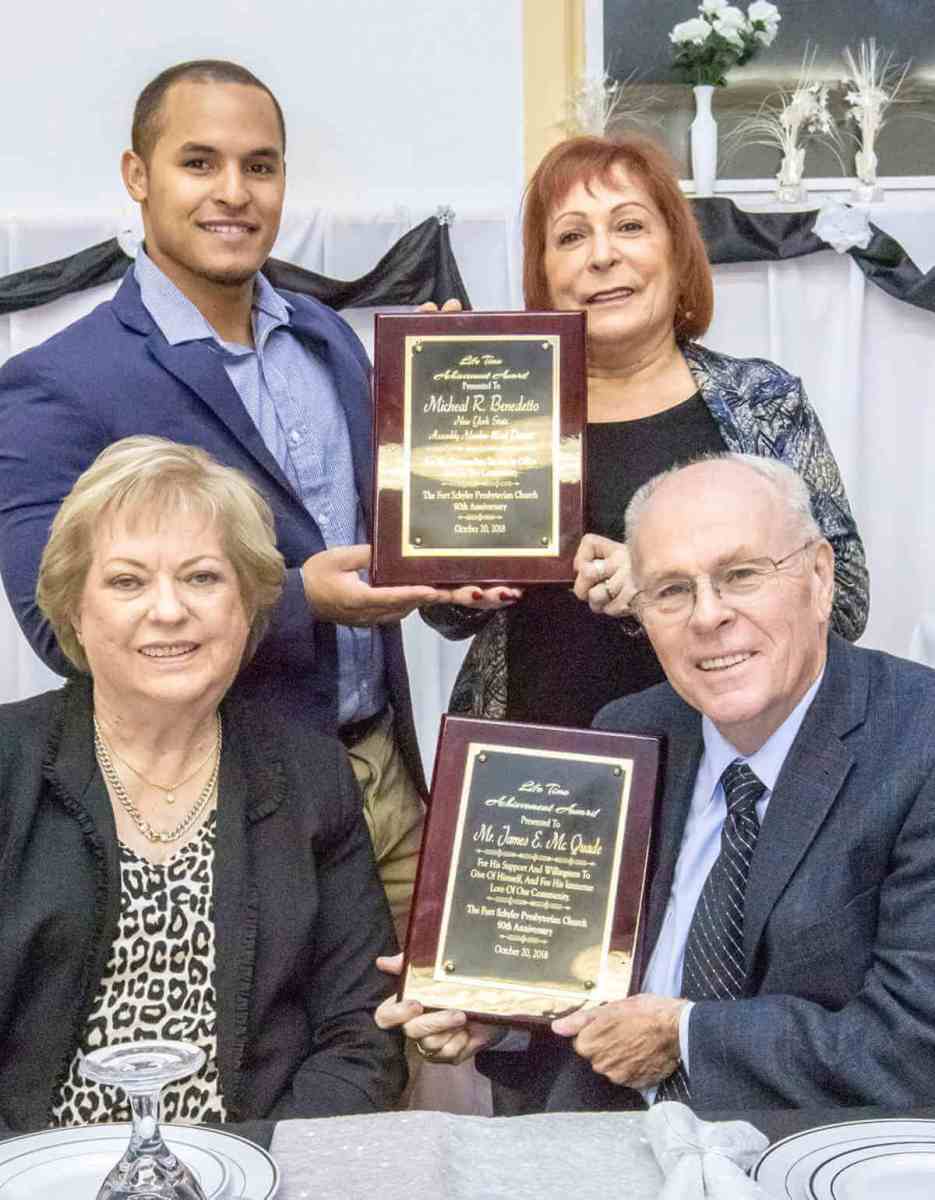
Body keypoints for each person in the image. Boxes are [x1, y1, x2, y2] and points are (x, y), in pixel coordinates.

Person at [0, 59, 454, 937]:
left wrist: (459, 523)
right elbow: (56, 626)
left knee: (396, 1053)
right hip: (217, 805)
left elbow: (391, 531)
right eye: (198, 162)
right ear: (138, 177)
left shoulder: (326, 338)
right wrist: (297, 600)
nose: (234, 193)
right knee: (251, 1063)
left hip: (386, 779)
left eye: (260, 165)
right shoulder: (51, 385)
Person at [378, 454, 935, 1112]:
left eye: (741, 575)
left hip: (808, 1153)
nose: (707, 616)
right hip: (607, 1136)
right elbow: (592, 991)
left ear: (818, 577)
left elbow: (912, 1045)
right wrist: (497, 1011)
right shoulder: (632, 732)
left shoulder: (916, 742)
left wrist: (686, 1036)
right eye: (670, 590)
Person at [0, 436, 405, 1134]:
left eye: (202, 578)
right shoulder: (9, 761)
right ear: (74, 609)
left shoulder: (312, 773)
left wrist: (259, 1168)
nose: (168, 610)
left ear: (250, 605)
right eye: (127, 582)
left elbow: (360, 1037)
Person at [422, 134, 868, 730]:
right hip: (536, 771)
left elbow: (844, 605)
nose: (602, 256)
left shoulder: (763, 401)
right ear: (543, 274)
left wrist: (665, 584)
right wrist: (435, 395)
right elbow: (448, 618)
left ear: (677, 254)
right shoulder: (503, 407)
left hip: (725, 773)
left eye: (629, 226)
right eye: (571, 236)